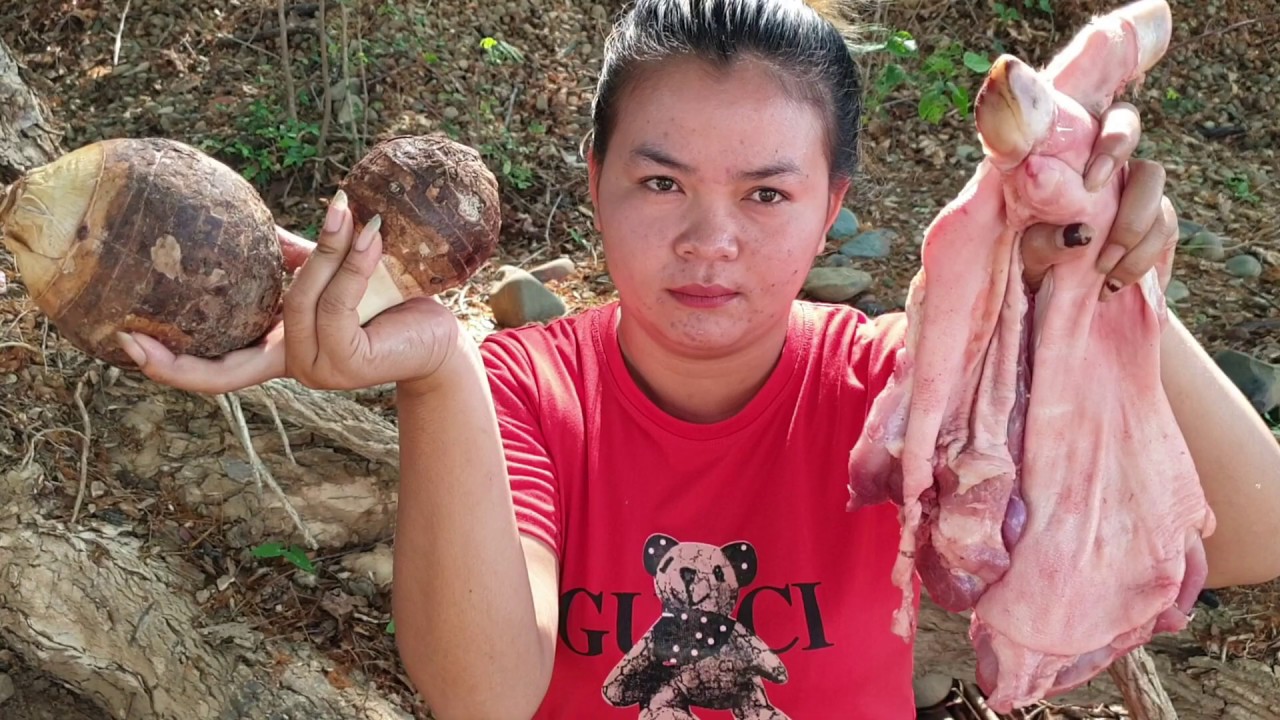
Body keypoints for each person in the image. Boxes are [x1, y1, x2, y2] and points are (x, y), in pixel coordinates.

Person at [114, 0, 1280, 717]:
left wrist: (1095, 277)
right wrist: (435, 371)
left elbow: (1250, 536)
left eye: (766, 193)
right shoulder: (520, 391)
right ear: (595, 185)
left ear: (832, 207)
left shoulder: (892, 393)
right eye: (661, 182)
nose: (707, 241)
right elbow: (484, 695)